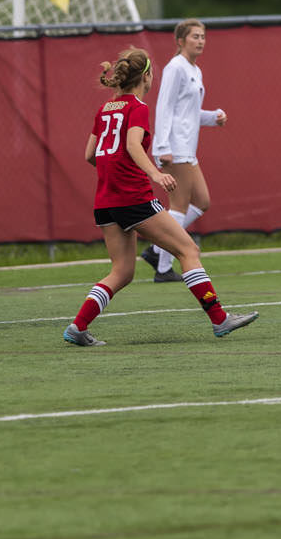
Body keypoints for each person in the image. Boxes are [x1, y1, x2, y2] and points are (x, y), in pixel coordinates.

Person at [62, 48, 260, 346]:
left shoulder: (105, 110)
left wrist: (111, 173)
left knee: (122, 271)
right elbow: (131, 145)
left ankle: (78, 327)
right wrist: (154, 174)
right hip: (133, 199)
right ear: (147, 77)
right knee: (188, 250)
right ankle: (219, 318)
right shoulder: (137, 107)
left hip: (105, 202)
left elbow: (90, 154)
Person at [140, 19, 227, 284]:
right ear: (180, 41)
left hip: (188, 148)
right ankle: (164, 267)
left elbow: (188, 112)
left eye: (203, 36)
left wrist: (214, 117)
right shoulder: (175, 68)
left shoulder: (194, 70)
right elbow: (164, 107)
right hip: (174, 148)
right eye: (194, 37)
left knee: (202, 202)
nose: (200, 41)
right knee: (178, 206)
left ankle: (156, 251)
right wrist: (163, 147)